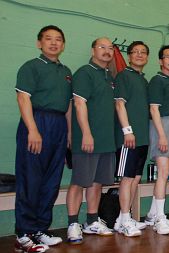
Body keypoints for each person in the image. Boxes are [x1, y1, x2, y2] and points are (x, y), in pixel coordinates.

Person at [14, 25, 71, 252]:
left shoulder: (66, 72)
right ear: (39, 43)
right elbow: (23, 98)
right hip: (37, 123)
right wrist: (33, 130)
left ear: (63, 45)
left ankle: (39, 229)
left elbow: (67, 107)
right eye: (48, 39)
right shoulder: (31, 67)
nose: (53, 43)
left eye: (58, 39)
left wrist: (68, 135)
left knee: (51, 181)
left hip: (58, 127)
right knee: (31, 180)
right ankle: (23, 234)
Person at [66, 37, 116, 244]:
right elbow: (78, 104)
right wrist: (85, 133)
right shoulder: (84, 72)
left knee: (97, 182)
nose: (106, 51)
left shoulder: (108, 76)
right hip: (87, 139)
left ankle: (92, 221)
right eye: (102, 47)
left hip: (106, 139)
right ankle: (72, 224)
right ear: (93, 49)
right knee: (79, 181)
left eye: (110, 48)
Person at [143, 44, 169, 233]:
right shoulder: (157, 80)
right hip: (162, 126)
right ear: (160, 61)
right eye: (167, 57)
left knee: (165, 173)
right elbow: (153, 109)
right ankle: (160, 218)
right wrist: (161, 135)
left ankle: (152, 214)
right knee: (163, 172)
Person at [112, 41, 150, 236]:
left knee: (135, 178)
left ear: (147, 57)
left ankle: (123, 219)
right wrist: (127, 131)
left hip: (142, 138)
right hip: (129, 138)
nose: (139, 55)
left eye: (143, 52)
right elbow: (119, 104)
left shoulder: (143, 80)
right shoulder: (123, 76)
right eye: (135, 52)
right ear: (129, 56)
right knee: (126, 179)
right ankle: (126, 219)